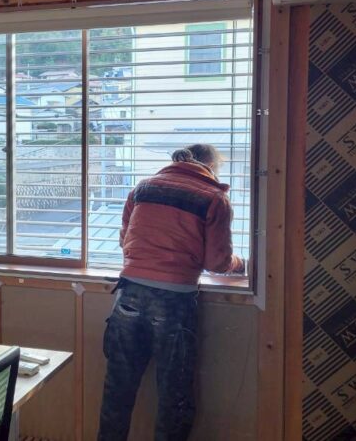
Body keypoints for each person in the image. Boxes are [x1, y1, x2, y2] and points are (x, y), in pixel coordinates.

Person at [97, 143, 245, 441]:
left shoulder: (143, 188)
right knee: (173, 397)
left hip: (128, 293)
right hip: (174, 300)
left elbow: (126, 240)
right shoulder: (214, 198)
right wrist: (242, 264)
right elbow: (217, 262)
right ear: (210, 166)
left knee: (118, 389)